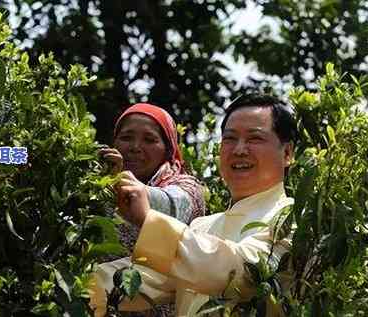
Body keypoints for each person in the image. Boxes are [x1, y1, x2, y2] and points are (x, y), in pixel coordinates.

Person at [90, 94, 297, 317]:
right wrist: (65, 284)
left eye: (254, 139)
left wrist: (148, 218)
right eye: (229, 139)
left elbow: (241, 272)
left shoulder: (292, 217)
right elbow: (140, 279)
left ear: (287, 153)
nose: (239, 150)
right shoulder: (201, 226)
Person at [99, 103, 206, 316]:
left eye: (149, 140)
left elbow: (171, 206)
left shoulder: (187, 187)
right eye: (126, 138)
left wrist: (124, 184)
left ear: (168, 149)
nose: (135, 147)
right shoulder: (98, 187)